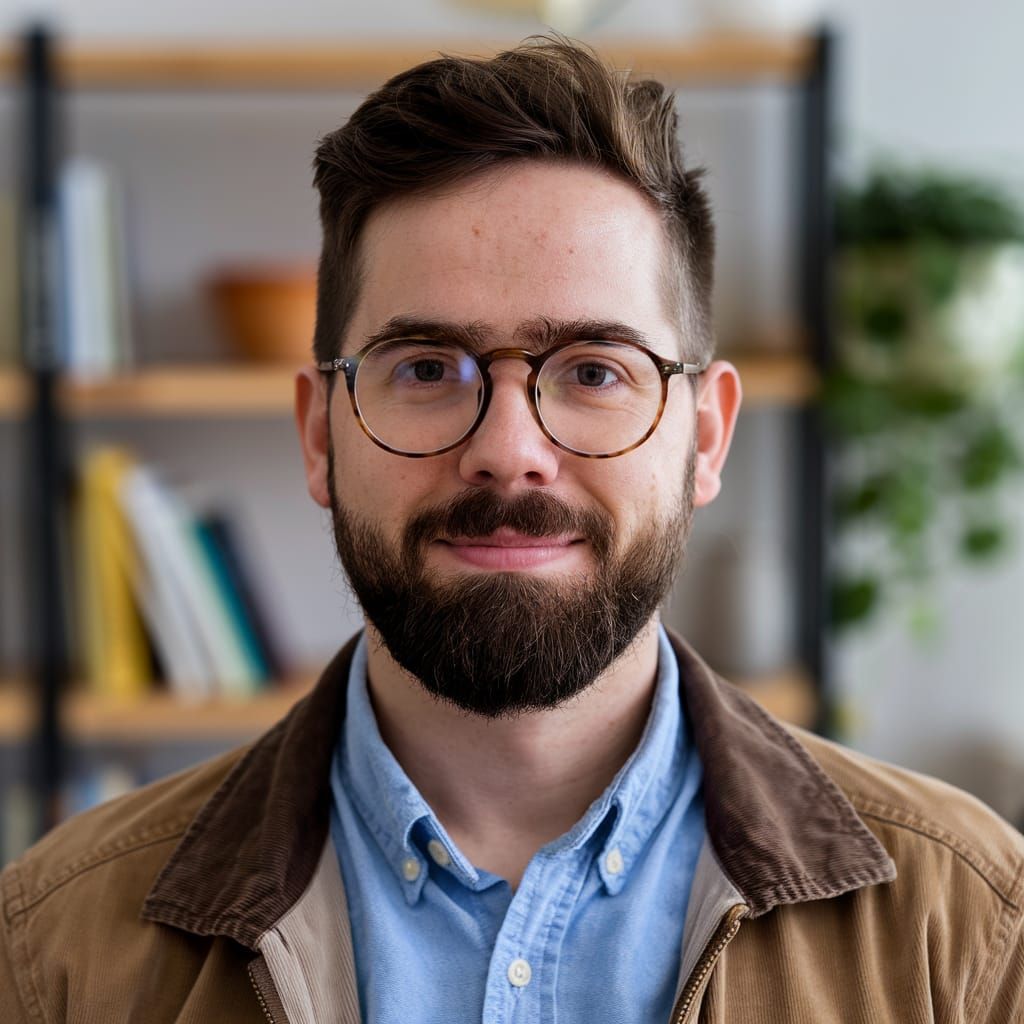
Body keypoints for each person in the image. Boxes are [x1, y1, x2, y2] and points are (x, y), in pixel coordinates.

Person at [2, 37, 1022, 1024]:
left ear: (703, 436)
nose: (507, 450)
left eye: (591, 371)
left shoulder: (971, 935)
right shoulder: (52, 951)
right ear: (320, 435)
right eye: (426, 367)